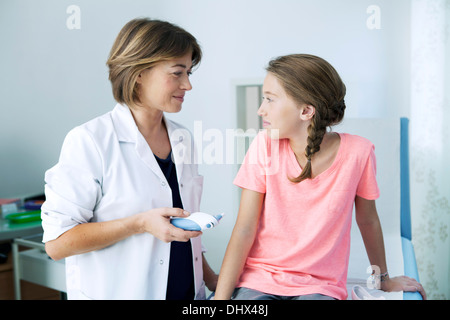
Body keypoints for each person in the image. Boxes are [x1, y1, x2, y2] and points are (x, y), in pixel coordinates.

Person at [214, 54, 426, 300]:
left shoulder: (359, 152)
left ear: (305, 111)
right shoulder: (264, 146)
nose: (261, 109)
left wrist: (383, 281)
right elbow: (244, 229)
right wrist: (220, 301)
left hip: (319, 287)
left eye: (270, 100)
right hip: (260, 281)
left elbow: (368, 220)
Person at [41, 18, 217, 300]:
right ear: (139, 73)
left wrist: (214, 281)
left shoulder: (183, 139)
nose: (188, 85)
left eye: (189, 73)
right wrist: (138, 224)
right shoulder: (90, 141)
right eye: (177, 73)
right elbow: (58, 244)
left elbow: (183, 230)